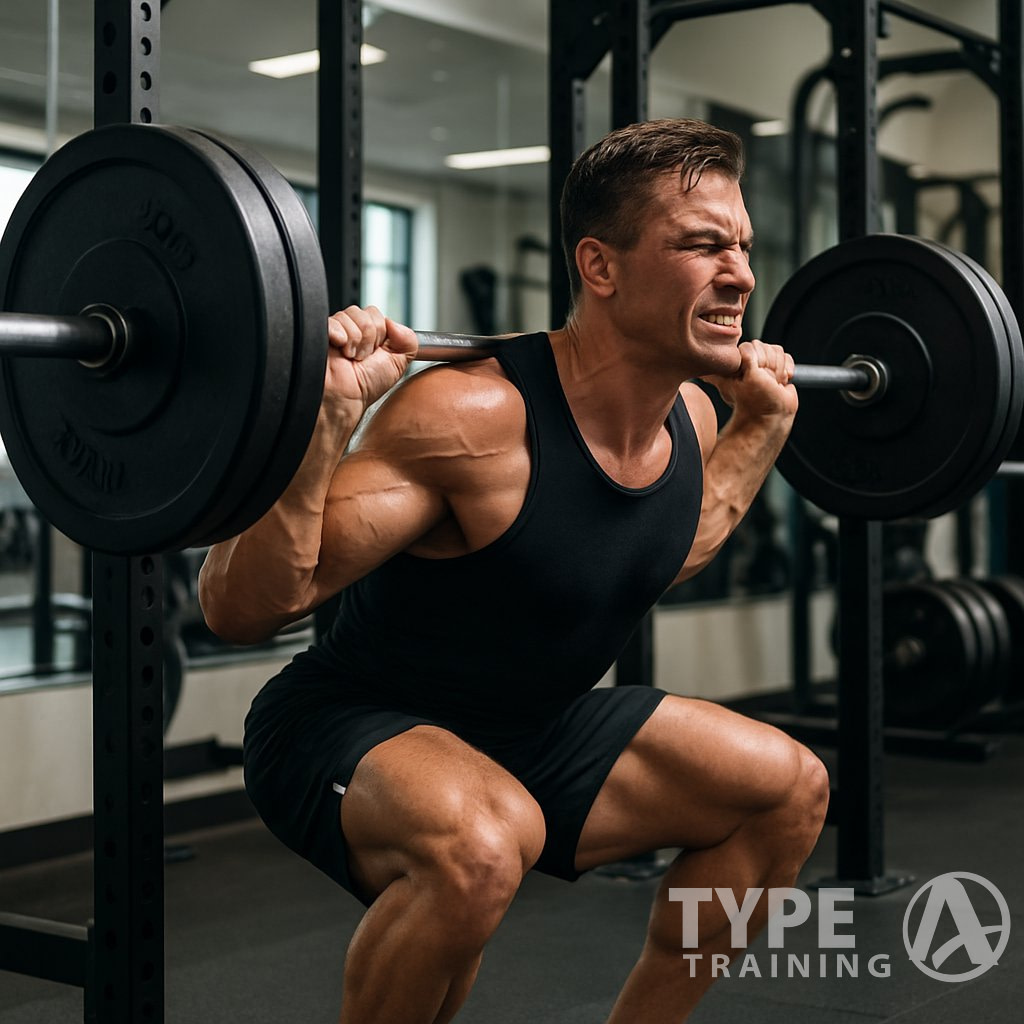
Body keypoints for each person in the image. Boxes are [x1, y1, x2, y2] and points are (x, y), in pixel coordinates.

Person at [199, 117, 830, 1024]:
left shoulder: (692, 418)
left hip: (539, 725)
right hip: (355, 722)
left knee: (786, 790)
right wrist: (324, 423)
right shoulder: (470, 415)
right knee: (485, 843)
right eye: (701, 246)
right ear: (600, 267)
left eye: (741, 247)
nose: (739, 275)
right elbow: (242, 609)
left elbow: (651, 553)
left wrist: (758, 435)